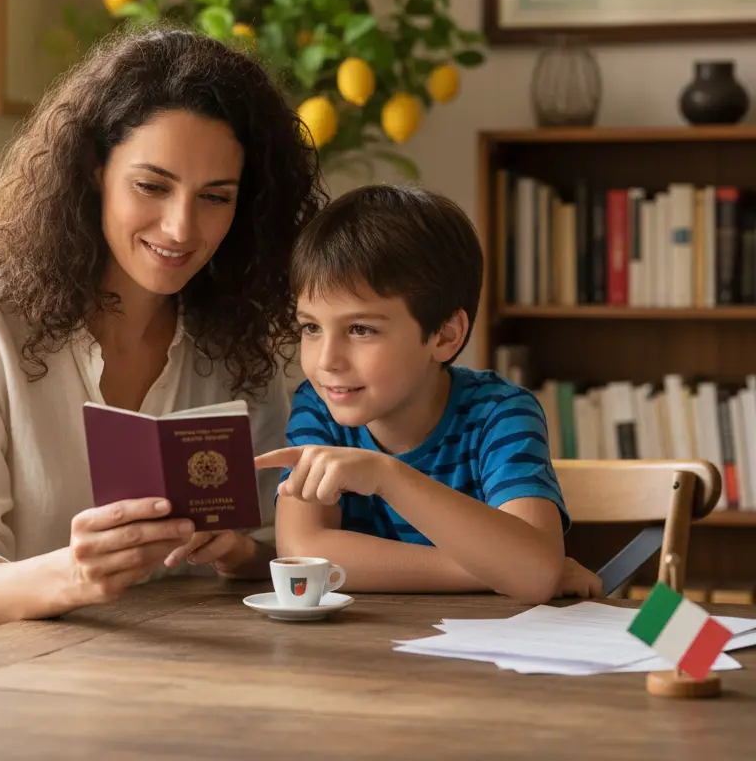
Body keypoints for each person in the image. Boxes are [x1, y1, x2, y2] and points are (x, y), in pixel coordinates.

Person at [0, 27, 326, 664]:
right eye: (152, 186)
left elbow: (277, 551)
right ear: (94, 169)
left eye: (215, 197)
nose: (181, 227)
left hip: (148, 679)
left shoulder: (237, 347)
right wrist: (74, 575)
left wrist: (241, 555)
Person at [256, 184, 603, 603]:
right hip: (365, 655)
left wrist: (385, 476)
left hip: (487, 656)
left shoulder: (500, 412)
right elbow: (302, 554)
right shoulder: (319, 406)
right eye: (311, 327)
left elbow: (532, 574)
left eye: (360, 329)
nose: (327, 360)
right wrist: (492, 571)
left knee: (691, 644)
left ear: (444, 335)